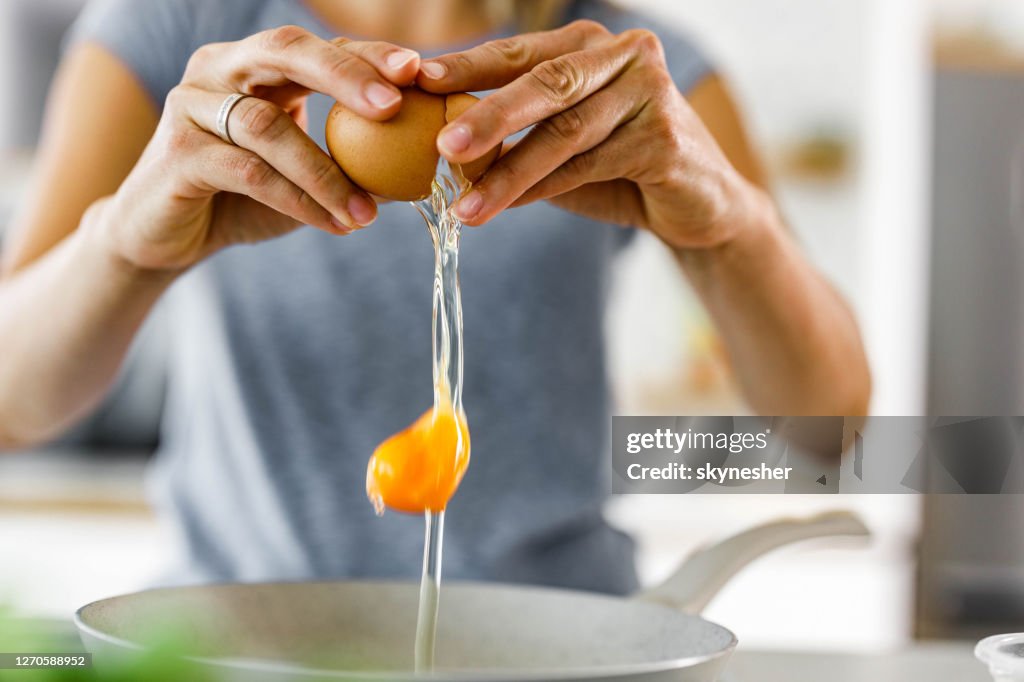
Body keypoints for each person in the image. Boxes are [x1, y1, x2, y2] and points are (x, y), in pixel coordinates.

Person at [0, 0, 870, 592]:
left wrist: (730, 232)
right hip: (245, 638)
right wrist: (125, 246)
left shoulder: (626, 64)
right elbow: (12, 403)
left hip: (550, 644)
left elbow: (827, 429)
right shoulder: (188, 28)